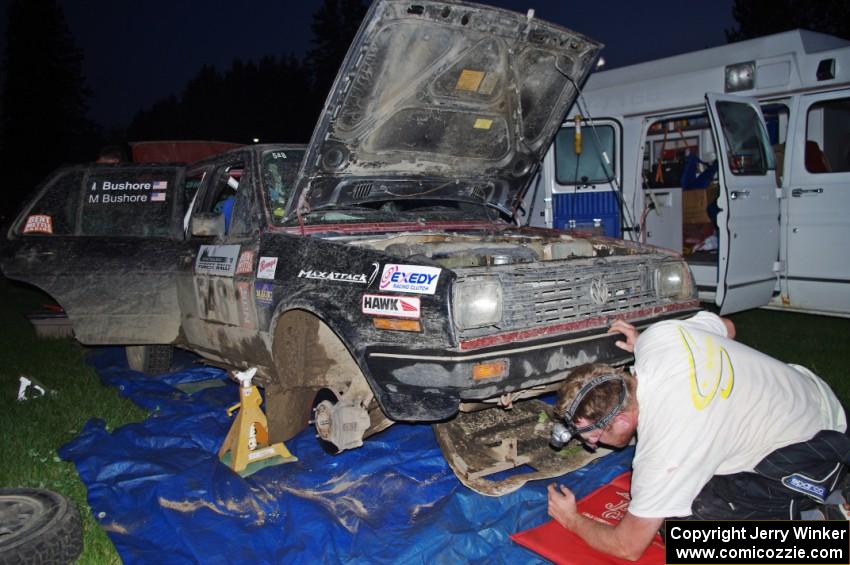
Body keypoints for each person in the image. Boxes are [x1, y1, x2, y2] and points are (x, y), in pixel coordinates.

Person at [546, 311, 849, 561]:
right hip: (818, 399)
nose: (591, 443)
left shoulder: (665, 445)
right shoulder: (658, 337)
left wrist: (572, 519)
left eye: (593, 436)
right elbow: (727, 328)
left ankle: (820, 529)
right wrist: (644, 343)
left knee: (687, 528)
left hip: (813, 453)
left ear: (623, 419)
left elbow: (628, 546)